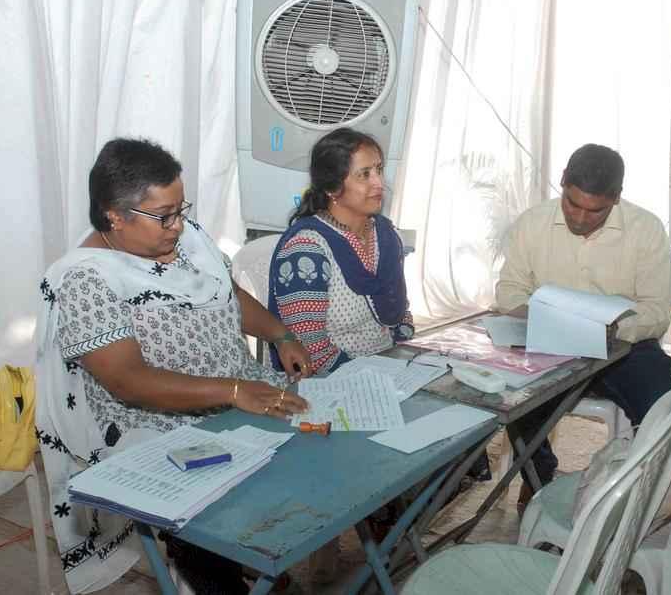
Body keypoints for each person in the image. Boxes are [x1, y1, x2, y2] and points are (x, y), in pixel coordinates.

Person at [35, 138, 309, 594]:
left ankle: (253, 564)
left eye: (181, 209)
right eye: (164, 215)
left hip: (238, 392)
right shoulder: (86, 278)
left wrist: (280, 334)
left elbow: (224, 291)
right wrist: (232, 391)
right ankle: (207, 569)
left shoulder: (182, 239)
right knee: (218, 505)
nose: (178, 225)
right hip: (158, 423)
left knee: (314, 454)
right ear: (114, 216)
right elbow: (128, 381)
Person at [496, 143, 671, 509]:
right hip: (549, 340)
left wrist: (610, 331)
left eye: (594, 211)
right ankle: (537, 476)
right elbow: (509, 290)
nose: (579, 218)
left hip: (621, 347)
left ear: (616, 197)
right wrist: (535, 316)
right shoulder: (533, 223)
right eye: (572, 204)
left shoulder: (645, 229)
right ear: (563, 181)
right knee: (512, 392)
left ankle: (649, 489)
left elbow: (657, 310)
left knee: (661, 401)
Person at [268, 127, 414, 375]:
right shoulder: (306, 251)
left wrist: (405, 359)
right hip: (334, 379)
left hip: (389, 366)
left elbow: (400, 312)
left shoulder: (386, 236)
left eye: (379, 170)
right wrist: (373, 377)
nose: (379, 183)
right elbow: (310, 352)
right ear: (333, 188)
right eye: (364, 174)